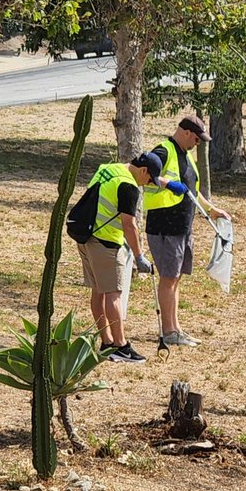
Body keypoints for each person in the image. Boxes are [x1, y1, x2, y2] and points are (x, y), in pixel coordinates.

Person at [142, 115, 230, 347]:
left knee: (176, 278)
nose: (197, 144)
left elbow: (192, 191)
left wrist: (211, 210)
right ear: (186, 132)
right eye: (196, 139)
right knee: (168, 278)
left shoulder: (186, 155)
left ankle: (176, 328)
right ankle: (169, 331)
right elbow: (143, 173)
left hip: (182, 228)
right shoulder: (163, 151)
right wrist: (168, 184)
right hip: (164, 227)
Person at [77, 153, 161, 363]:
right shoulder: (128, 186)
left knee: (98, 292)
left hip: (86, 237)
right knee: (113, 294)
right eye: (150, 179)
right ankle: (120, 346)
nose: (148, 184)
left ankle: (107, 342)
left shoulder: (108, 168)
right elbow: (129, 225)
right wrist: (139, 256)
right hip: (105, 244)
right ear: (143, 170)